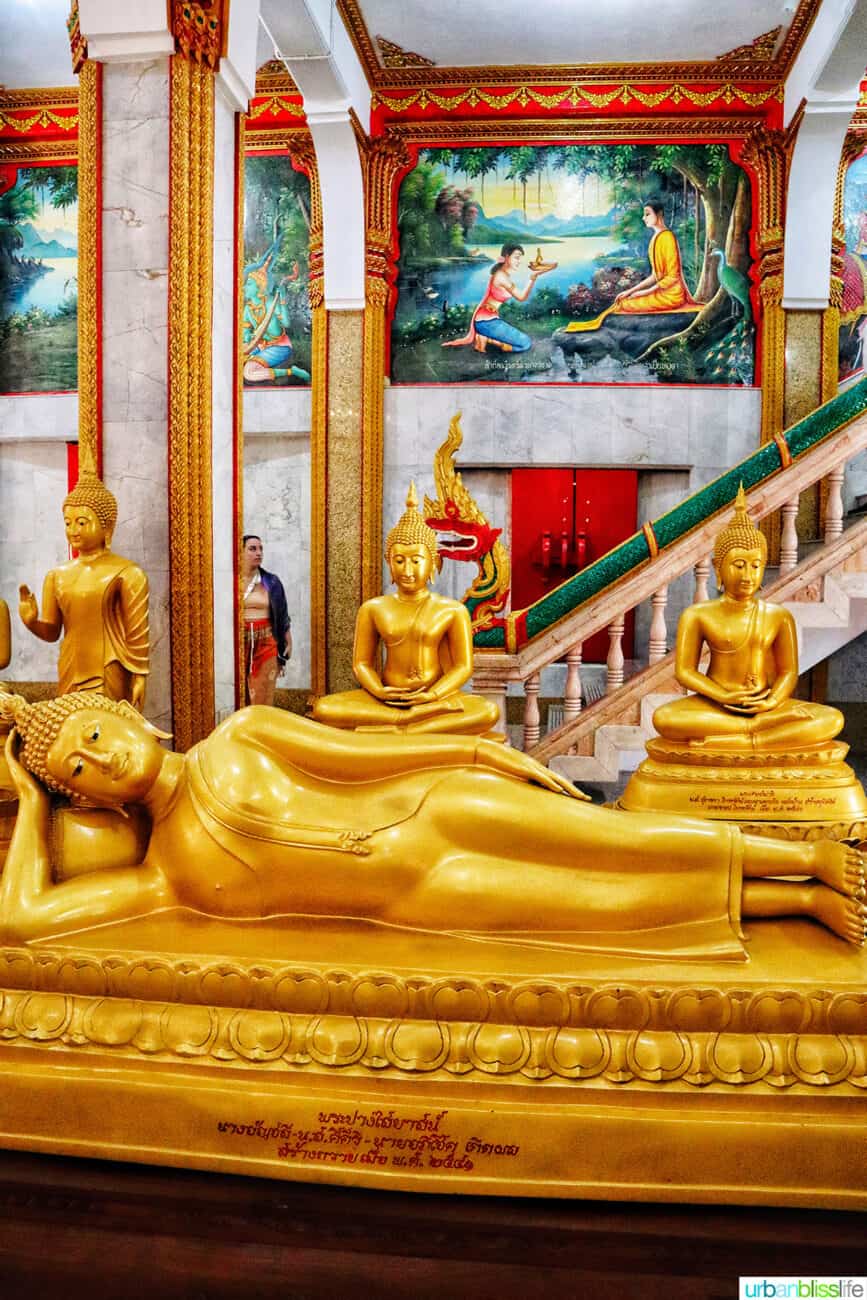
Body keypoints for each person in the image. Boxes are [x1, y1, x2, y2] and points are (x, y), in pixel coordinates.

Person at [0, 690, 864, 952]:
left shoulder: (242, 735)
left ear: (130, 717)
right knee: (609, 910)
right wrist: (30, 799)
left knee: (619, 840)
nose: (100, 757)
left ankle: (804, 852)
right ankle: (802, 905)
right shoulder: (168, 874)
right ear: (88, 799)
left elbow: (373, 755)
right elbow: (23, 920)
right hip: (424, 894)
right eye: (78, 768)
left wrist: (488, 756)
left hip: (432, 809)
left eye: (95, 734)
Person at [652, 487, 844, 752]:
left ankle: (748, 737)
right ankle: (754, 733)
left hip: (764, 705)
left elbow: (788, 672)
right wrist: (722, 695)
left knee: (832, 719)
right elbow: (685, 671)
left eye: (755, 566)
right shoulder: (698, 614)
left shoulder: (777, 615)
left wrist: (772, 702)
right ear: (719, 568)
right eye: (739, 565)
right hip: (716, 703)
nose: (748, 575)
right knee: (664, 719)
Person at [311, 484, 499, 735]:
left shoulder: (451, 610)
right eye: (399, 561)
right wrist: (378, 690)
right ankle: (409, 724)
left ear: (433, 563)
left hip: (433, 699)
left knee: (488, 711)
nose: (407, 570)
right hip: (387, 700)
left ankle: (404, 724)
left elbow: (463, 667)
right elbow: (361, 664)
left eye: (416, 561)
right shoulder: (374, 608)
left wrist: (433, 694)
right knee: (324, 708)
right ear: (390, 563)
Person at [18, 471, 149, 709]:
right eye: (68, 523)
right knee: (72, 725)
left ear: (106, 526)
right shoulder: (56, 576)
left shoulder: (127, 572)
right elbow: (52, 632)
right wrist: (31, 622)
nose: (73, 530)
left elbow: (136, 634)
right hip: (71, 666)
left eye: (82, 522)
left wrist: (140, 676)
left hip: (109, 667)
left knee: (108, 728)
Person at [566, 200, 700, 333]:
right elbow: (656, 275)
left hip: (672, 294)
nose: (643, 218)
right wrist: (630, 291)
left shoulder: (667, 237)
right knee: (624, 299)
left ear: (659, 215)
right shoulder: (655, 239)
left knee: (625, 304)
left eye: (647, 214)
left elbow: (672, 277)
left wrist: (645, 292)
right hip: (661, 292)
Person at [442, 243, 551, 354]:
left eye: (520, 258)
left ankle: (483, 337)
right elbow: (521, 297)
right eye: (517, 257)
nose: (519, 261)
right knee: (525, 343)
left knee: (523, 341)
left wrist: (535, 275)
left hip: (489, 320)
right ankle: (490, 340)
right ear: (507, 257)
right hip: (486, 322)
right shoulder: (501, 277)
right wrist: (532, 278)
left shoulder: (503, 275)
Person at [241, 534, 291, 706]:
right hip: (238, 645)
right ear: (240, 552)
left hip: (266, 644)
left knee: (263, 695)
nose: (258, 553)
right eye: (252, 549)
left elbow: (283, 614)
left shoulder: (271, 582)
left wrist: (287, 640)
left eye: (261, 549)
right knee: (238, 696)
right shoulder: (228, 581)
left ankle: (261, 730)